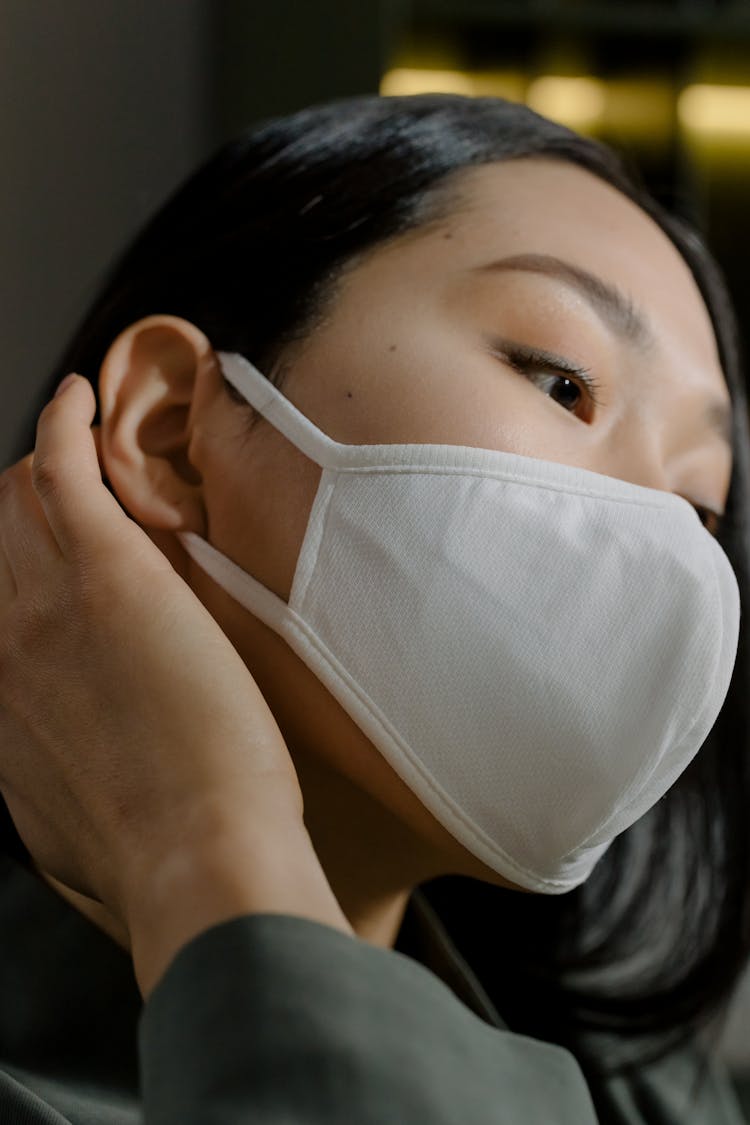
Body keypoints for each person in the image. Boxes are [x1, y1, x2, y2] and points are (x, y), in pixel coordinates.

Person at [0, 91, 748, 1124]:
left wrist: (204, 852)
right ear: (175, 431)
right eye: (564, 382)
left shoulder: (665, 1101)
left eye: (702, 503)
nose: (663, 537)